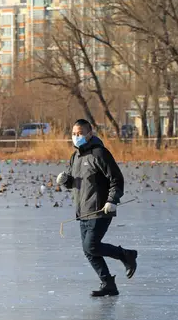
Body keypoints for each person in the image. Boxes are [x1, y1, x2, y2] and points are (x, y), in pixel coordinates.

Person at [56, 119, 137, 297]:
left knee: (91, 246)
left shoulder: (100, 153)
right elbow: (75, 182)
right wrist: (65, 181)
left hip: (101, 209)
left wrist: (112, 200)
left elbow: (117, 179)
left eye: (80, 133)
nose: (76, 137)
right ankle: (108, 283)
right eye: (74, 134)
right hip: (83, 210)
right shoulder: (75, 156)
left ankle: (126, 255)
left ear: (89, 134)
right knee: (89, 250)